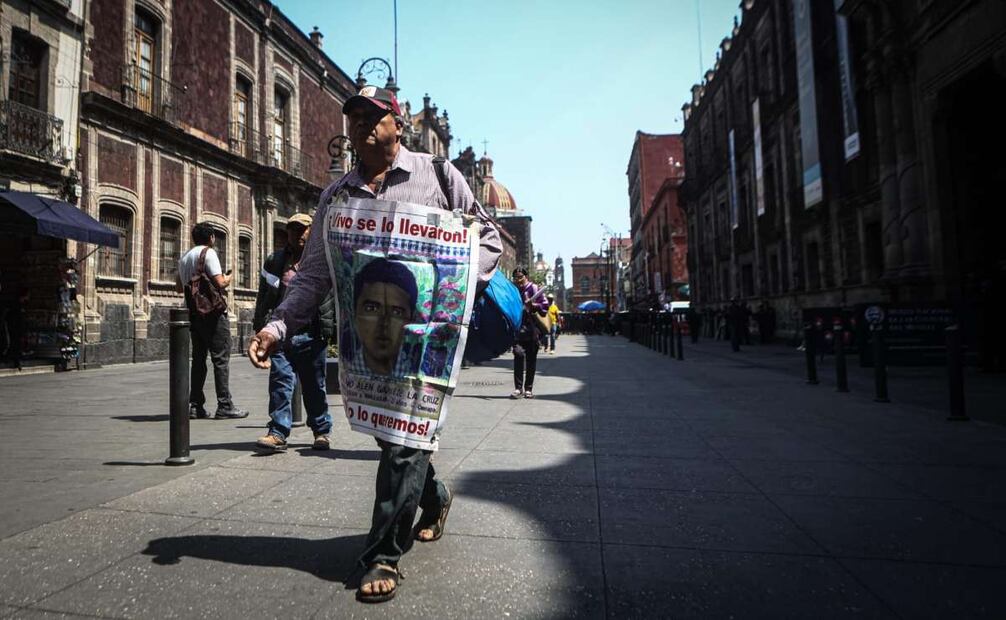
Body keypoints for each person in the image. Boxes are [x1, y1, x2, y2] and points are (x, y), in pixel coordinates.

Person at [246, 84, 501, 604]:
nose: (361, 123)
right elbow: (314, 275)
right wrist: (276, 328)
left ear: (397, 123)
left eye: (373, 115)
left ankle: (382, 553)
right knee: (394, 437)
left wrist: (455, 281)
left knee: (406, 443)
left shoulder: (438, 175)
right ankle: (436, 496)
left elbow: (489, 239)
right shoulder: (336, 196)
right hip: (368, 345)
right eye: (354, 116)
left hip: (425, 340)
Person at [253, 214, 334, 452]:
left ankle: (321, 432)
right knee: (280, 382)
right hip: (281, 334)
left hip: (313, 332)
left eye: (302, 229)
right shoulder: (275, 261)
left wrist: (332, 330)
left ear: (312, 232)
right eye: (292, 229)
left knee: (314, 386)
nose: (297, 234)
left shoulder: (321, 260)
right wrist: (261, 328)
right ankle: (277, 432)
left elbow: (332, 297)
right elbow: (264, 296)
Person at [177, 222, 248, 420]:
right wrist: (230, 277)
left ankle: (195, 405)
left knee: (198, 360)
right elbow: (220, 283)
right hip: (213, 315)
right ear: (211, 238)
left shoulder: (184, 257)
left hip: (193, 314)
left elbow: (178, 286)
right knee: (221, 359)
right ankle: (224, 405)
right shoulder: (209, 253)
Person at [351, 258, 417, 375]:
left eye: (397, 312)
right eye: (371, 309)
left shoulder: (419, 375)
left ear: (412, 319)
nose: (384, 323)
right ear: (355, 314)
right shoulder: (348, 368)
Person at [510, 267, 549, 399]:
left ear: (526, 277)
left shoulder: (533, 288)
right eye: (516, 278)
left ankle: (528, 389)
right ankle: (518, 388)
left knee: (531, 360)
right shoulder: (513, 290)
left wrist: (533, 305)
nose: (518, 280)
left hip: (532, 329)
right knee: (518, 354)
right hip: (517, 329)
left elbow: (544, 307)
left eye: (521, 277)